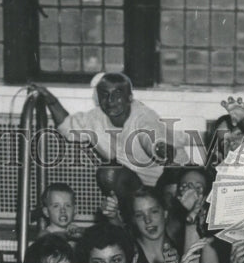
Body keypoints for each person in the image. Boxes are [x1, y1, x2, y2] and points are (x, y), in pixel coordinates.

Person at [31, 73, 186, 189]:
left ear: (129, 97)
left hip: (171, 177)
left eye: (117, 95)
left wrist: (159, 148)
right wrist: (49, 98)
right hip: (138, 185)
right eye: (105, 95)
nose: (110, 101)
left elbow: (152, 137)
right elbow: (67, 125)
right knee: (108, 173)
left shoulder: (143, 116)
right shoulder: (95, 118)